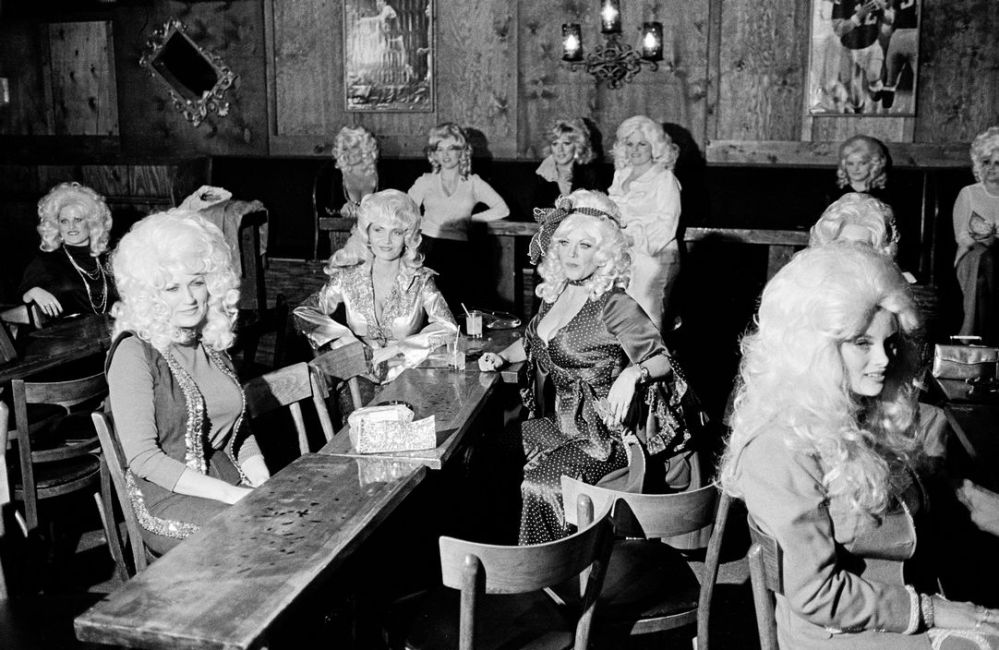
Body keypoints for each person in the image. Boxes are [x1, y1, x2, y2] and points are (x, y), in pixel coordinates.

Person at [720, 243, 999, 649]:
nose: (885, 359)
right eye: (861, 343)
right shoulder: (779, 446)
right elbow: (816, 594)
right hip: (839, 634)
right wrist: (933, 611)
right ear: (812, 348)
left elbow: (951, 493)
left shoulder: (862, 411)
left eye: (889, 342)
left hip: (898, 606)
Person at [478, 190, 699, 545]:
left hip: (604, 436)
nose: (571, 253)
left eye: (584, 245)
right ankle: (502, 552)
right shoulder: (556, 294)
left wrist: (632, 373)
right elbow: (537, 341)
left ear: (602, 254)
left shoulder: (614, 304)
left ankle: (546, 575)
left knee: (541, 485)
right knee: (493, 452)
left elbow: (663, 360)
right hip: (563, 423)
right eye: (564, 243)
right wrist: (503, 357)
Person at [106, 209, 270, 555]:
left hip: (228, 482)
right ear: (149, 294)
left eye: (197, 282)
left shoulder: (210, 339)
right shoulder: (134, 353)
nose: (190, 298)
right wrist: (233, 495)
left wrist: (266, 484)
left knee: (294, 520)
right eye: (172, 288)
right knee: (262, 536)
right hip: (170, 498)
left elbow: (240, 431)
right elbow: (144, 459)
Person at [294, 189, 458, 388]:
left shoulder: (421, 280)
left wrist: (400, 347)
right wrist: (347, 344)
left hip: (407, 378)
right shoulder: (347, 277)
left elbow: (449, 328)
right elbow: (303, 312)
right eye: (378, 229)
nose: (386, 241)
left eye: (396, 232)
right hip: (357, 381)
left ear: (407, 238)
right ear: (367, 234)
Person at [407, 122, 509, 308]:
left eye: (452, 148)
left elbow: (502, 209)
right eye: (439, 148)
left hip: (460, 253)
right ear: (434, 153)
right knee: (428, 306)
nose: (445, 154)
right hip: (428, 249)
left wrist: (471, 220)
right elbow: (405, 209)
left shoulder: (473, 182)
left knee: (459, 306)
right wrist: (421, 226)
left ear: (462, 152)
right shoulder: (426, 181)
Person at [607, 115, 682, 328]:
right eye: (629, 144)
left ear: (655, 147)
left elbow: (667, 225)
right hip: (624, 258)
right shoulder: (620, 175)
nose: (635, 150)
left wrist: (632, 239)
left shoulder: (664, 178)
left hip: (655, 259)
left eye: (642, 144)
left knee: (649, 322)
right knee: (623, 320)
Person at [18, 182, 118, 320]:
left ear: (91, 222)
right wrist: (32, 292)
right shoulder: (47, 261)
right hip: (61, 337)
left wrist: (118, 305)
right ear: (56, 224)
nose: (71, 226)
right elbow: (18, 302)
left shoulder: (108, 258)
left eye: (78, 220)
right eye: (64, 221)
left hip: (107, 333)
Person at [954, 126, 999, 342]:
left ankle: (972, 333)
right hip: (970, 256)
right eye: (986, 162)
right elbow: (961, 236)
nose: (991, 168)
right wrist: (981, 239)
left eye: (997, 163)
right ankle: (984, 334)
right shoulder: (969, 193)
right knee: (983, 257)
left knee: (988, 262)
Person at [529, 118, 602, 211]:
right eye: (555, 144)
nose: (560, 149)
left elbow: (599, 209)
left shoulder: (589, 174)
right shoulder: (542, 173)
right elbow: (534, 212)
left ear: (578, 146)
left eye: (566, 143)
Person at [833, 135, 892, 204]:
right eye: (850, 164)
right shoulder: (831, 190)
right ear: (844, 164)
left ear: (873, 164)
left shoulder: (888, 192)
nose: (855, 168)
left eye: (862, 163)